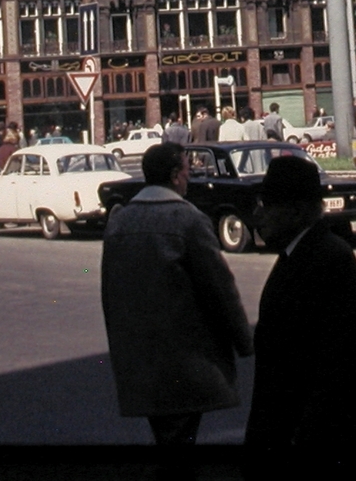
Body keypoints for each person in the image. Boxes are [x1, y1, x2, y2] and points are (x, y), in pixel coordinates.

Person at [100, 143, 252, 457]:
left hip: (139, 355)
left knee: (165, 435)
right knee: (180, 441)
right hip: (184, 358)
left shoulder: (119, 221)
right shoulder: (188, 220)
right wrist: (244, 341)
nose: (189, 176)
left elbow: (110, 293)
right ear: (175, 176)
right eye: (187, 170)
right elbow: (220, 288)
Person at [245, 155, 356, 477]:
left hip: (314, 452)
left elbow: (333, 367)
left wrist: (297, 447)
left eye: (268, 204)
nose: (259, 215)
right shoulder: (299, 253)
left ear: (295, 210)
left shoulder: (327, 260)